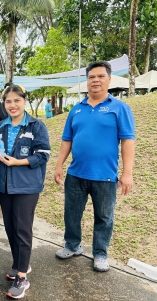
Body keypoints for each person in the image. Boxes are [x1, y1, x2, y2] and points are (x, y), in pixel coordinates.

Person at [54, 61, 135, 272]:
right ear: (87, 81)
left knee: (104, 218)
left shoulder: (119, 108)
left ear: (109, 79)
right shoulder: (76, 110)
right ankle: (72, 245)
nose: (95, 80)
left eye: (100, 76)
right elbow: (66, 140)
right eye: (91, 77)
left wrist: (127, 173)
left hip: (105, 176)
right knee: (71, 214)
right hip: (76, 174)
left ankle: (100, 253)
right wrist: (59, 165)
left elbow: (127, 140)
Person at [0, 84, 50, 299]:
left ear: (24, 101)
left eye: (17, 100)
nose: (13, 105)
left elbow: (43, 155)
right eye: (8, 101)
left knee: (23, 229)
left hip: (26, 185)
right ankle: (18, 264)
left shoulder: (36, 126)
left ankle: (22, 277)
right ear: (4, 104)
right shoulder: (0, 126)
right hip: (4, 185)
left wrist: (18, 162)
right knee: (10, 226)